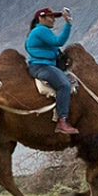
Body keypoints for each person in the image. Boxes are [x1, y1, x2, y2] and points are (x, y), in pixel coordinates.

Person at [26, 7, 78, 135]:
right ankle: (62, 121)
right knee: (64, 85)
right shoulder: (40, 30)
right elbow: (58, 41)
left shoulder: (37, 32)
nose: (54, 20)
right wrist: (68, 24)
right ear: (41, 18)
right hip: (42, 66)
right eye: (51, 17)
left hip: (43, 65)